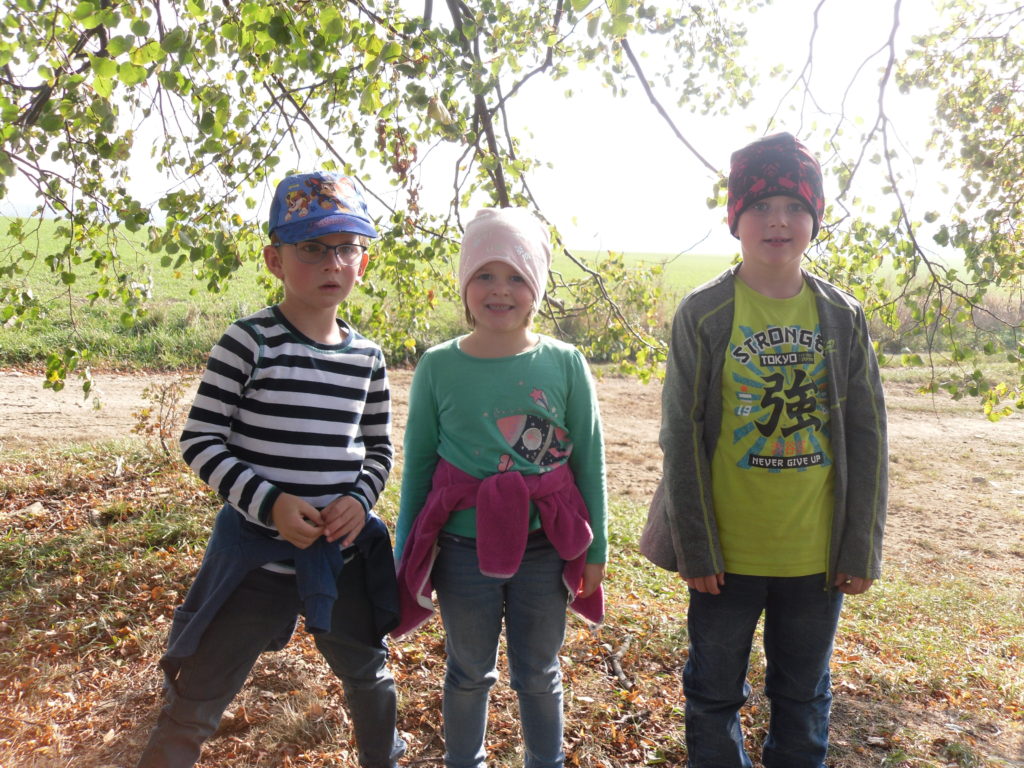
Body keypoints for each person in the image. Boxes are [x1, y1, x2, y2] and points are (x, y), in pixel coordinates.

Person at [136, 171, 406, 768]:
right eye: (311, 247)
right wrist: (271, 504)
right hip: (254, 560)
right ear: (275, 260)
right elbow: (200, 439)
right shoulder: (250, 342)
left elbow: (379, 450)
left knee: (369, 676)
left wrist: (359, 500)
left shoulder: (367, 357)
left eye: (347, 247)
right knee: (198, 695)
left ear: (363, 262)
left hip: (340, 556)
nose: (331, 262)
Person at [657, 132, 888, 768]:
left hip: (816, 558)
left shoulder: (842, 316)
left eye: (794, 205)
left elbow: (868, 434)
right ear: (736, 218)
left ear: (815, 218)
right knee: (712, 694)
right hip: (726, 557)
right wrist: (696, 547)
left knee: (803, 696)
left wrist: (860, 545)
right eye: (760, 205)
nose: (777, 220)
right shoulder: (704, 314)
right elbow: (680, 435)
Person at [392, 207, 608, 768]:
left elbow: (589, 461)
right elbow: (419, 467)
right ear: (465, 284)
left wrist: (597, 550)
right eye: (485, 274)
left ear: (536, 286)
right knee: (467, 671)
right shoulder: (438, 366)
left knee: (538, 671)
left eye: (516, 276)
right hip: (462, 550)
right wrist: (404, 552)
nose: (500, 290)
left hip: (545, 547)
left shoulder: (565, 363)